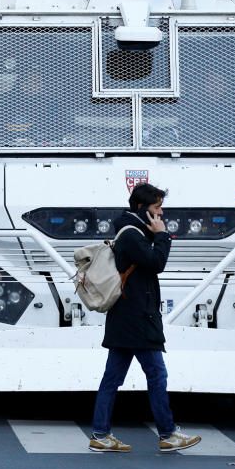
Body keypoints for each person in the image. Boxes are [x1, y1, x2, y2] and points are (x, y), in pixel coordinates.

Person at [89, 183, 201, 453]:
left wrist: (155, 234)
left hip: (127, 318)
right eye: (157, 207)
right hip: (137, 319)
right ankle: (168, 434)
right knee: (156, 374)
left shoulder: (134, 231)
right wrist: (162, 236)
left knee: (112, 378)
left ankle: (101, 434)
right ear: (142, 208)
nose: (161, 213)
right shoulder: (131, 234)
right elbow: (156, 263)